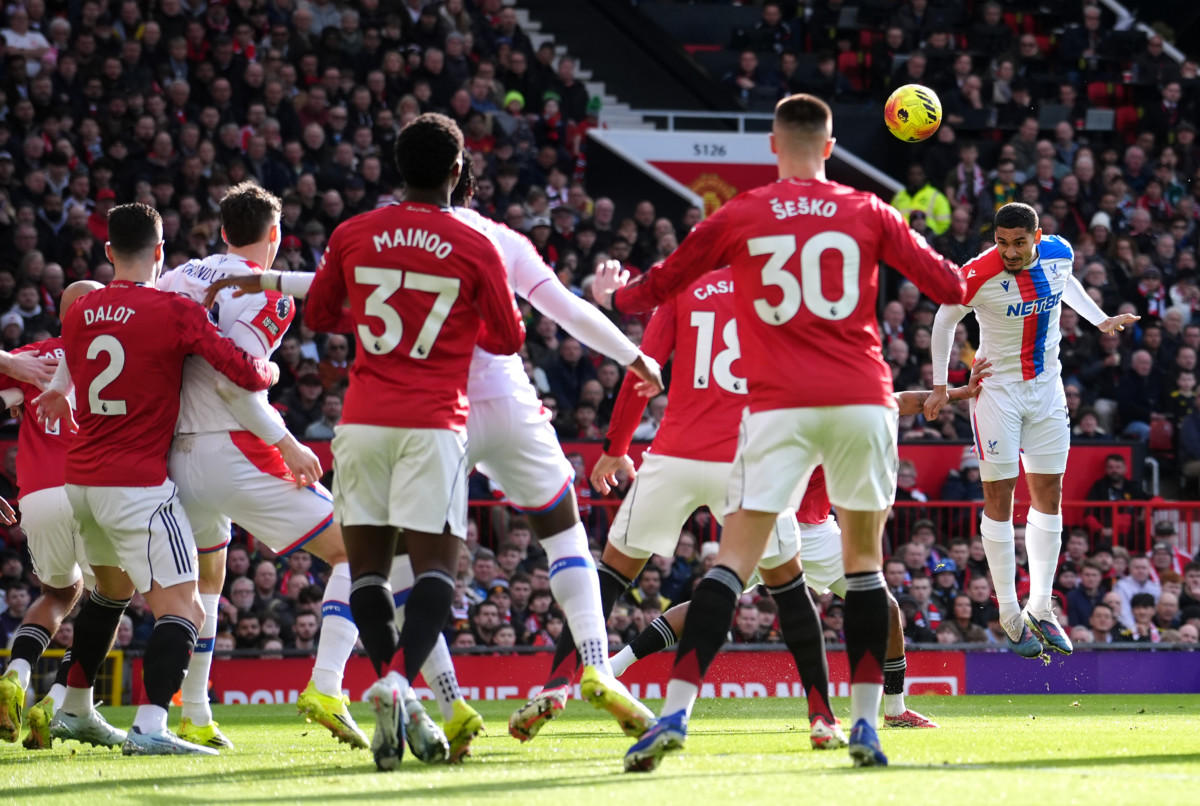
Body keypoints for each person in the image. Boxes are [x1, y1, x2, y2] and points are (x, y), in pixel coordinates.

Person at [596, 94, 966, 771]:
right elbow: (948, 285)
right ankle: (865, 727)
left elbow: (661, 284)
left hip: (778, 406)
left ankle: (673, 715)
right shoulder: (868, 210)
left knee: (731, 565)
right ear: (830, 148)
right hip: (861, 397)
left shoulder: (742, 212)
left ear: (773, 145)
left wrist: (611, 296)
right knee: (865, 570)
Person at [301, 113, 525, 773]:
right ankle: (398, 681)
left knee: (368, 573)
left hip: (362, 421)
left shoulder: (353, 232)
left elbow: (319, 314)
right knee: (435, 574)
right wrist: (455, 318)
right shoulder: (473, 242)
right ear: (457, 170)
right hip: (432, 423)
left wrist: (376, 322)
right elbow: (510, 338)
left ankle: (390, 693)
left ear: (398, 167)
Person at [35, 203, 276, 756]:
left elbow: (72, 366)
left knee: (111, 593)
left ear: (108, 251)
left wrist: (59, 390)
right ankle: (150, 726)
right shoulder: (172, 309)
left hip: (82, 480)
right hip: (137, 485)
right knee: (186, 608)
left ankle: (74, 710)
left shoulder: (82, 310)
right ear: (161, 251)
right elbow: (240, 369)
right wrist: (271, 369)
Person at [155, 182, 365, 752]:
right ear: (274, 234)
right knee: (357, 551)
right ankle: (327, 686)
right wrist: (288, 442)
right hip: (233, 449)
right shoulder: (268, 293)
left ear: (223, 231)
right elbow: (235, 382)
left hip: (174, 453)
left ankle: (195, 712)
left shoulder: (178, 277)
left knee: (207, 581)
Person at [927, 202, 1138, 660]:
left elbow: (1066, 283)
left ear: (1037, 238)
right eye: (1002, 242)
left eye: (1019, 243)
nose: (1009, 251)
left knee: (1049, 495)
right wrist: (941, 386)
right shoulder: (976, 273)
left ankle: (1041, 606)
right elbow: (944, 319)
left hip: (1047, 391)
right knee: (999, 498)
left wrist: (1100, 319)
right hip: (997, 393)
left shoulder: (1060, 253)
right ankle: (1009, 612)